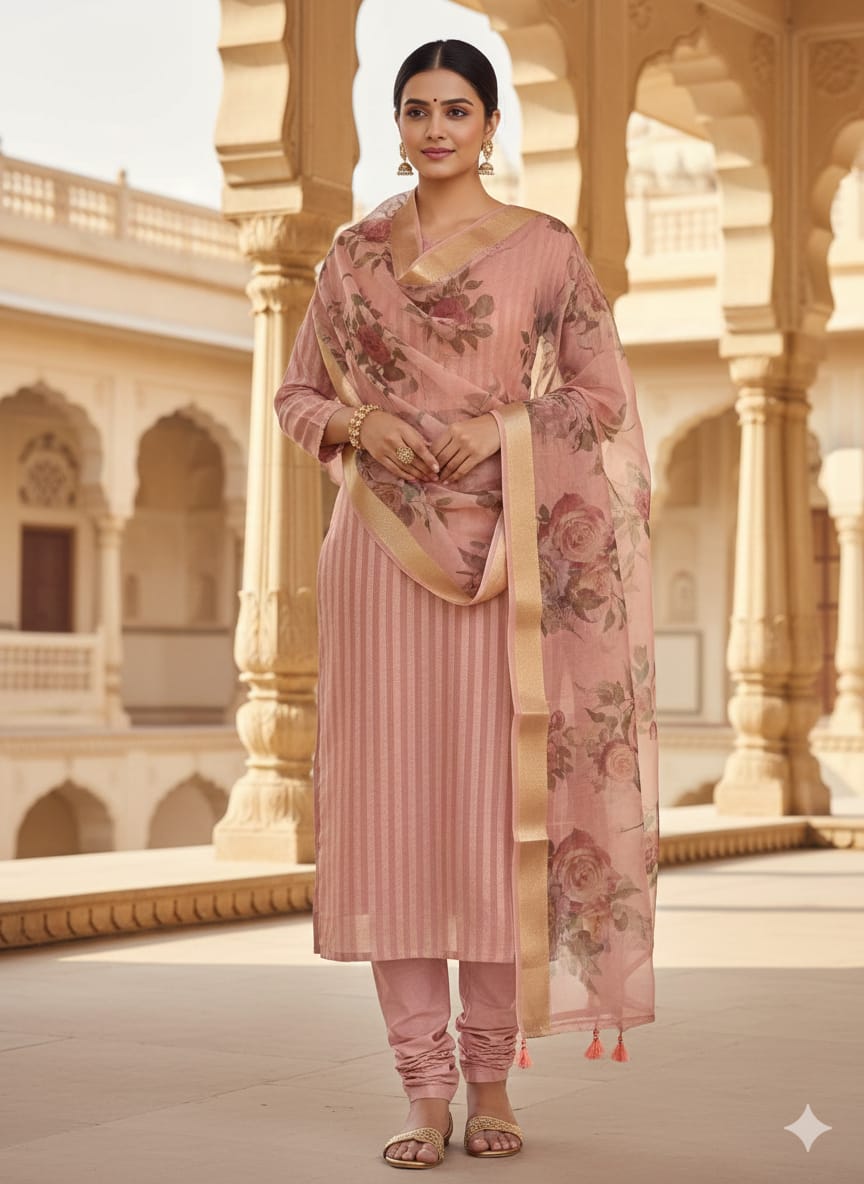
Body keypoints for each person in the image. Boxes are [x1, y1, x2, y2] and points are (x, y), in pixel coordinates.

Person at [275, 38, 659, 1170]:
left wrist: (499, 428)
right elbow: (297, 394)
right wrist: (358, 425)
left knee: (501, 821)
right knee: (393, 820)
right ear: (396, 126)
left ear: (491, 125)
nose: (435, 127)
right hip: (379, 554)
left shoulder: (544, 251)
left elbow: (601, 397)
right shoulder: (352, 257)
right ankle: (422, 1091)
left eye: (456, 109)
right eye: (416, 109)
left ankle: (491, 1081)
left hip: (506, 556)